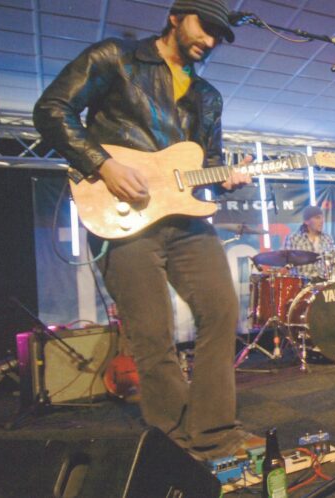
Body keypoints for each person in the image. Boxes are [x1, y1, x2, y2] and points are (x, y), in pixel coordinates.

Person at [32, 0, 263, 461]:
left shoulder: (208, 97)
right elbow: (52, 110)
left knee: (221, 312)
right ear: (176, 17)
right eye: (206, 29)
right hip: (126, 218)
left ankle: (214, 430)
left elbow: (209, 163)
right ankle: (173, 436)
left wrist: (229, 176)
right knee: (151, 331)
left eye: (219, 35)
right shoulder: (115, 58)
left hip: (187, 219)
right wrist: (104, 163)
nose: (211, 41)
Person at [282, 205, 335, 280]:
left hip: (325, 283)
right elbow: (284, 263)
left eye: (322, 217)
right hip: (303, 283)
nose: (322, 221)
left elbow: (334, 262)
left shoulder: (328, 238)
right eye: (317, 218)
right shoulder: (293, 238)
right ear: (306, 221)